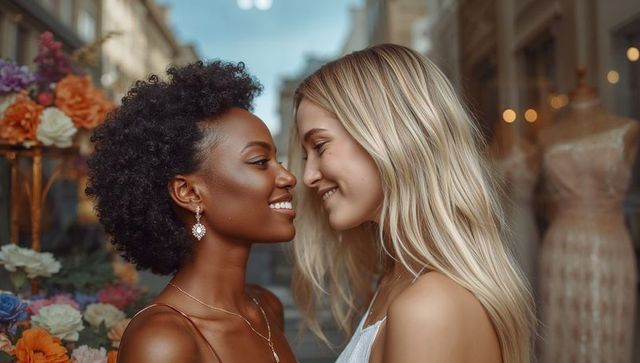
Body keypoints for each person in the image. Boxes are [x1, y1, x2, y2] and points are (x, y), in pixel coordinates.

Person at [288, 44, 535, 363]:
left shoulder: (427, 307)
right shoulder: (398, 278)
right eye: (307, 156)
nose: (308, 176)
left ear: (388, 135)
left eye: (320, 146)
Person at [86, 61, 297, 363]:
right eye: (260, 161)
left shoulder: (267, 307)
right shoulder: (162, 341)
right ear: (190, 193)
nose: (288, 177)